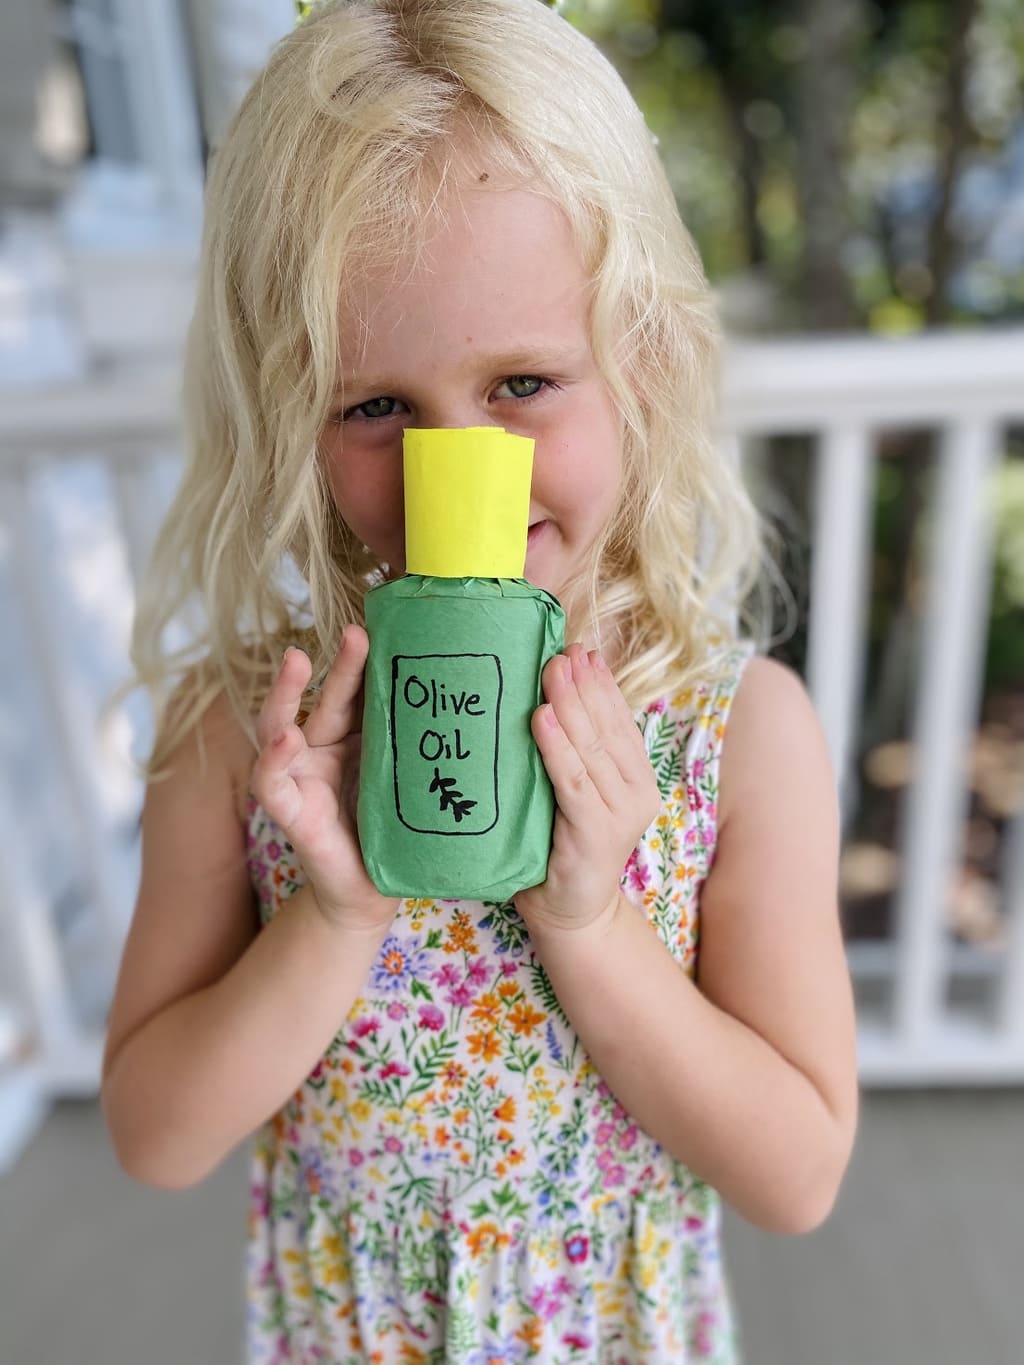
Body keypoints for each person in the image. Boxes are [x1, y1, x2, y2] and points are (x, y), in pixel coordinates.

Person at [101, 1, 859, 1360]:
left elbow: (796, 1172)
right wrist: (335, 911)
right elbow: (157, 1135)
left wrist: (586, 923)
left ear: (644, 359)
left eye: (522, 380)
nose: (461, 469)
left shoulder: (732, 734)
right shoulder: (239, 730)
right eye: (375, 406)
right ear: (290, 417)